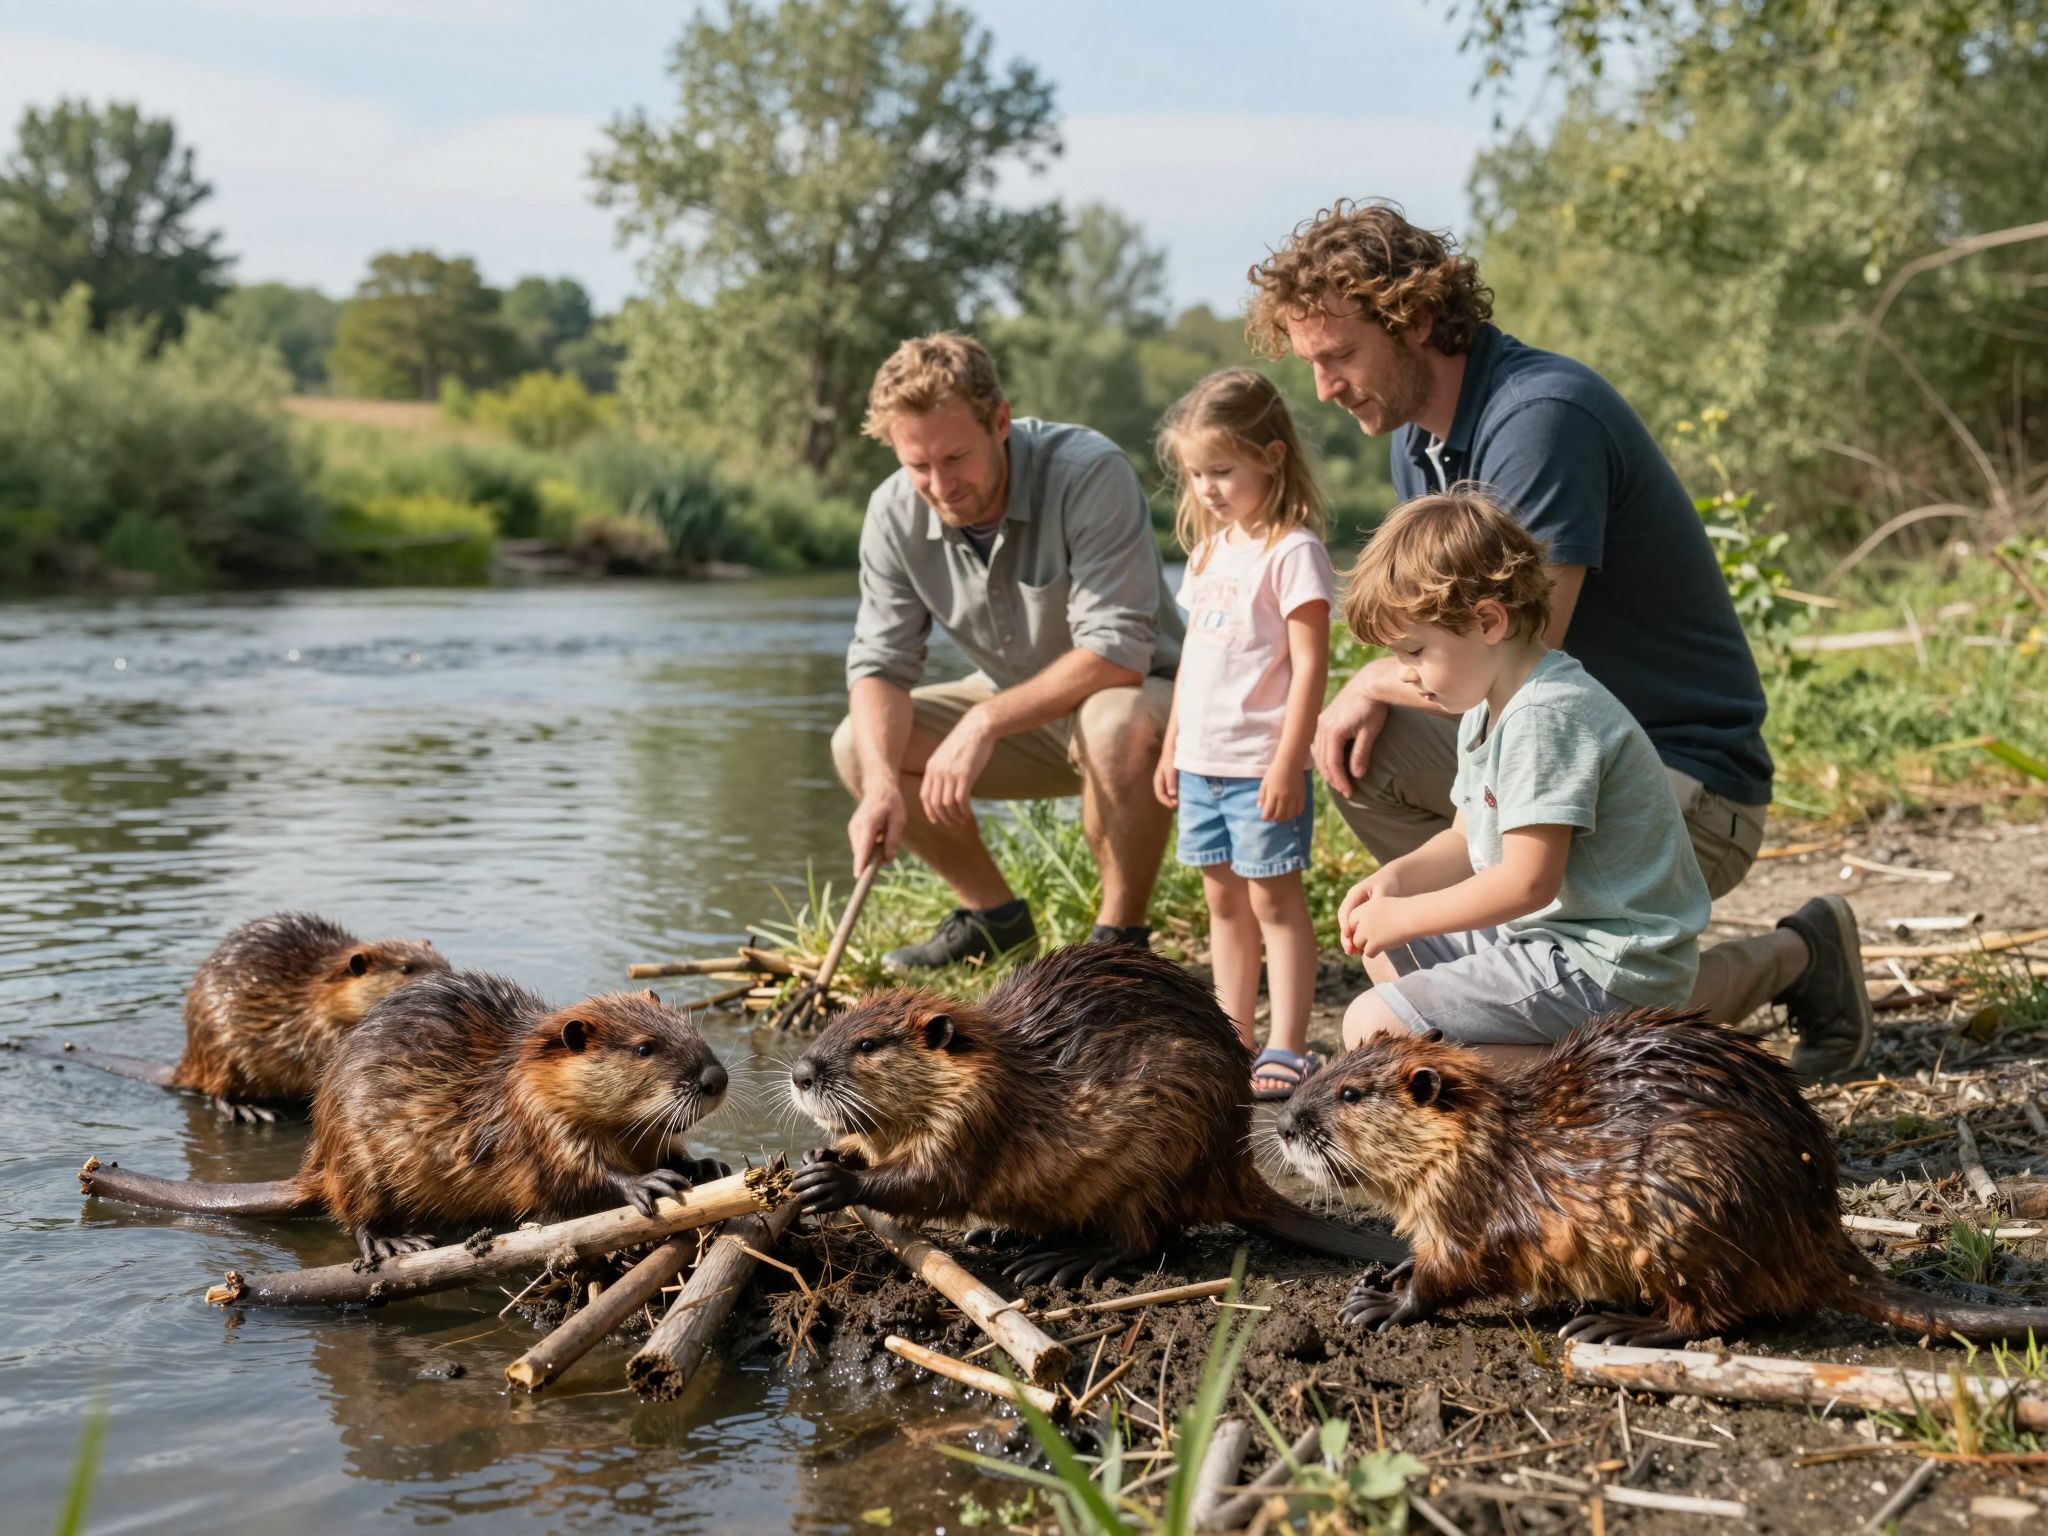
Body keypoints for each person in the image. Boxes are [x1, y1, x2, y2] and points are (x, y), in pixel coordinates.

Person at [1246, 199, 1871, 1080]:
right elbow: (1451, 650)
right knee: (1362, 750)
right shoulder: (1418, 443)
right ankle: (1527, 983)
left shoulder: (1541, 418)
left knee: (1578, 977)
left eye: (1340, 355)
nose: (1325, 387)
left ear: (1416, 320)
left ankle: (1781, 961)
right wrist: (1409, 888)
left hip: (1684, 772)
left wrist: (1367, 682)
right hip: (1556, 768)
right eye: (1312, 362)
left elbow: (1522, 641)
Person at [833, 332, 1181, 969]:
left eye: (955, 457)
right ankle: (995, 920)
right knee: (858, 744)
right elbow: (880, 663)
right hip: (1024, 715)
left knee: (1114, 722)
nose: (940, 484)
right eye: (918, 465)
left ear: (1000, 421)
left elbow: (1118, 652)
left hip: (1148, 705)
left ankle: (1117, 950)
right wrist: (882, 785)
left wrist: (985, 720)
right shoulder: (891, 513)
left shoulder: (1087, 471)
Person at [1335, 488, 1709, 1062]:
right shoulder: (1489, 706)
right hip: (1551, 939)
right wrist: (1398, 881)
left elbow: (1526, 883)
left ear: (1487, 621)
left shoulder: (1546, 715)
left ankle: (1584, 1081)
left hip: (1606, 964)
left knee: (1372, 1025)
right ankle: (1512, 1087)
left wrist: (1407, 914)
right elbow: (1465, 839)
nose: (1405, 675)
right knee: (1387, 955)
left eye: (1414, 651)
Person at [1150, 370, 1334, 1099]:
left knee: (1273, 902)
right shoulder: (1208, 553)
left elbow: (1311, 664)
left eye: (1222, 471)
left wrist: (1290, 760)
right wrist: (1170, 744)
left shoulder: (1292, 553)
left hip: (1263, 763)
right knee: (1223, 902)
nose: (1208, 489)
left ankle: (1287, 1044)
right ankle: (1234, 1035)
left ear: (1273, 456)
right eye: (1196, 475)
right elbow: (1195, 658)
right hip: (1202, 762)